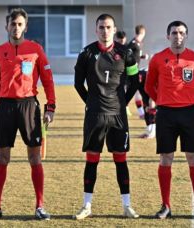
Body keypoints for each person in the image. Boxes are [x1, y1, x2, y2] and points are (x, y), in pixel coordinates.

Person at [0, 8, 56, 221]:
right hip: (4, 107)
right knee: (2, 157)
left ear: (25, 26)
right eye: (13, 24)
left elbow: (48, 80)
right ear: (7, 26)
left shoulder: (35, 49)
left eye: (20, 24)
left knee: (34, 157)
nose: (16, 28)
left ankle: (40, 206)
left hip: (29, 107)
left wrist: (50, 107)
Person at [73, 13, 139, 220]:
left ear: (114, 29)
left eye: (108, 27)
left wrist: (123, 103)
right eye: (101, 27)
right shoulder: (86, 53)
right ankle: (86, 206)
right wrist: (91, 103)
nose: (105, 31)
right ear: (96, 30)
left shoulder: (126, 53)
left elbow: (135, 82)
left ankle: (127, 206)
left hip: (118, 116)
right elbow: (77, 83)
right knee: (92, 159)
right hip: (95, 115)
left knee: (121, 159)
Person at [145, 20, 194, 219]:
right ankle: (166, 206)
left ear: (186, 36)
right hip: (166, 115)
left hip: (189, 114)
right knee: (166, 158)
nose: (178, 36)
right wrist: (162, 101)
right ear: (168, 36)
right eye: (174, 33)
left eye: (181, 33)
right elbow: (148, 87)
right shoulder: (157, 58)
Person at [126, 24, 156, 138]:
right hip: (134, 75)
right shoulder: (133, 44)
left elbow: (134, 57)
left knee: (147, 100)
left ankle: (151, 129)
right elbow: (127, 57)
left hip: (138, 74)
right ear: (142, 33)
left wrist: (142, 57)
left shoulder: (137, 44)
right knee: (145, 100)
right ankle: (150, 129)